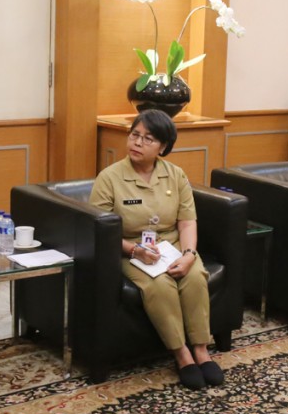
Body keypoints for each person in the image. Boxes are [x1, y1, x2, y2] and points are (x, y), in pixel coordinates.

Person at [89, 109, 224, 390]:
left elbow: (187, 221)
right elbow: (101, 229)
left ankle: (201, 350)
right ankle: (181, 354)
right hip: (129, 248)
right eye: (134, 135)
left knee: (195, 276)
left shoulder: (175, 175)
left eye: (148, 139)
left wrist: (189, 255)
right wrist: (134, 251)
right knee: (160, 285)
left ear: (162, 147)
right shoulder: (110, 177)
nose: (137, 143)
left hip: (171, 243)